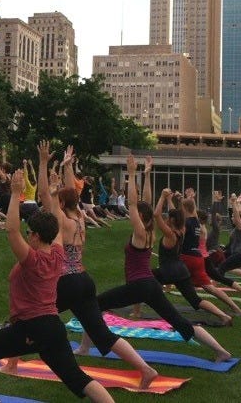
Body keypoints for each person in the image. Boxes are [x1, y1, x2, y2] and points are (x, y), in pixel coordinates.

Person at [0, 168, 114, 402]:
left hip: (31, 328)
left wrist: (16, 194)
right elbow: (54, 222)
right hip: (52, 327)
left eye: (29, 233)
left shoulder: (32, 260)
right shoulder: (57, 252)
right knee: (75, 376)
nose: (26, 236)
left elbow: (12, 229)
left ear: (35, 235)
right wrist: (53, 197)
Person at [28, 143, 160, 388]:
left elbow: (44, 195)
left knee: (32, 317)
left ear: (62, 202)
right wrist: (67, 167)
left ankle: (13, 360)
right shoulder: (78, 217)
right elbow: (71, 194)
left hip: (66, 282)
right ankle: (145, 368)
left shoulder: (62, 220)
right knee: (103, 335)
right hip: (84, 280)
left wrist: (44, 162)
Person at [77, 155, 231, 363]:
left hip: (139, 286)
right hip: (150, 285)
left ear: (141, 216)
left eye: (137, 213)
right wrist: (147, 174)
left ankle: (86, 347)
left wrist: (132, 174)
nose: (134, 212)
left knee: (94, 305)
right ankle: (221, 350)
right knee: (179, 321)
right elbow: (145, 203)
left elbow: (133, 203)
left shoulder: (140, 232)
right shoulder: (149, 231)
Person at [151, 187, 234, 324]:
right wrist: (174, 199)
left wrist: (162, 197)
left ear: (171, 221)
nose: (166, 219)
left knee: (144, 280)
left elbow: (156, 215)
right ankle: (223, 316)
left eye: (168, 218)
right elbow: (178, 214)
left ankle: (136, 312)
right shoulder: (182, 230)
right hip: (182, 271)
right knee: (196, 301)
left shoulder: (170, 234)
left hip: (169, 270)